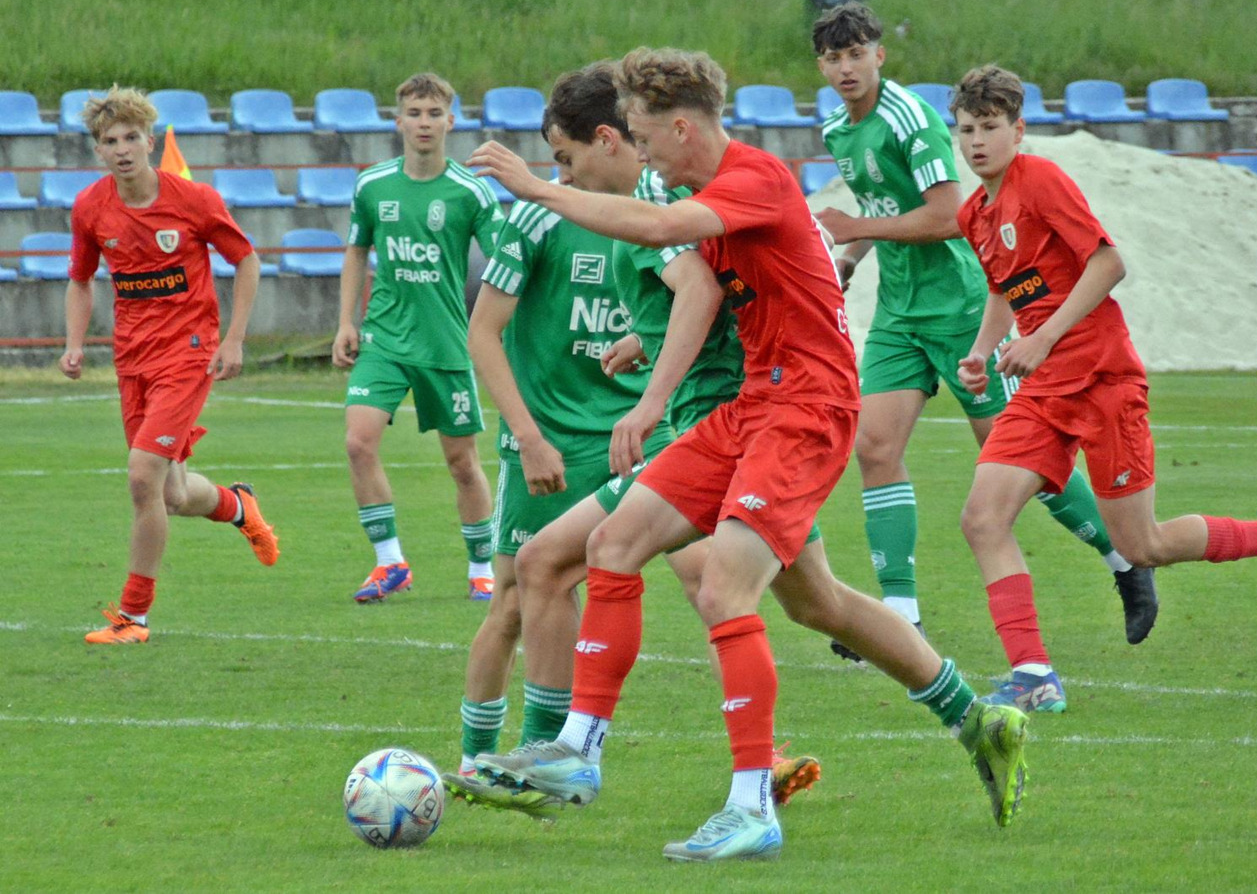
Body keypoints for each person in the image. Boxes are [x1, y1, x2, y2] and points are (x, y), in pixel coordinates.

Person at [464, 48, 1030, 862]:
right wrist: (645, 344)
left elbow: (664, 234)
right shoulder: (708, 191)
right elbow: (710, 286)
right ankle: (579, 752)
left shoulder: (752, 178)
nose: (642, 153)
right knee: (624, 548)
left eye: (645, 138)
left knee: (724, 587)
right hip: (752, 405)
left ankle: (751, 806)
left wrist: (537, 187)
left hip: (806, 409)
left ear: (682, 128)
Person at [449, 62, 819, 810]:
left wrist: (649, 390)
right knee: (523, 591)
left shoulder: (662, 204)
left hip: (663, 431)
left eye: (565, 157)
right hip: (562, 440)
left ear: (608, 140)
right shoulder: (541, 221)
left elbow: (702, 289)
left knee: (720, 581)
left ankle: (747, 758)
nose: (560, 172)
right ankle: (503, 756)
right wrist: (529, 433)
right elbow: (483, 330)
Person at [811, 4, 1157, 706]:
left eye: (857, 53)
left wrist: (854, 225)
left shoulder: (911, 119)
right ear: (821, 66)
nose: (846, 68)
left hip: (963, 308)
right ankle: (900, 615)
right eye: (833, 57)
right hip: (899, 314)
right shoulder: (838, 130)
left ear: (879, 55)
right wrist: (851, 255)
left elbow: (947, 216)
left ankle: (1123, 558)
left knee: (1024, 460)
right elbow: (886, 205)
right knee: (874, 446)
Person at [948, 64, 1257, 708]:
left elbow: (1108, 262)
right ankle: (1034, 676)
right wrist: (982, 350)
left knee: (1141, 545)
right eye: (965, 129)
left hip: (1103, 380)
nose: (976, 141)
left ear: (1018, 130)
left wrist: (1043, 338)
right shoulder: (972, 214)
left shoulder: (1040, 180)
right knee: (982, 519)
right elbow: (1006, 290)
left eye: (988, 127)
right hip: (1043, 390)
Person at [61, 85, 278, 644]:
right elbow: (81, 280)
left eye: (132, 138)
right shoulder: (90, 207)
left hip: (187, 353)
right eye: (111, 141)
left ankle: (133, 617)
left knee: (141, 478)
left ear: (150, 141)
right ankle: (237, 505)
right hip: (132, 358)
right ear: (99, 150)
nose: (122, 149)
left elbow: (247, 261)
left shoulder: (194, 200)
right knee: (171, 496)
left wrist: (233, 340)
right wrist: (74, 343)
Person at [332, 73, 504, 604]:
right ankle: (390, 562)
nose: (424, 123)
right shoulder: (373, 185)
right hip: (384, 338)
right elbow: (356, 251)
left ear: (450, 121)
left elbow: (506, 261)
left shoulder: (471, 191)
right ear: (398, 120)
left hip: (445, 343)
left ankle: (482, 569)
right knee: (358, 442)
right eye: (414, 113)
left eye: (433, 114)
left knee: (462, 464)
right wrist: (346, 322)